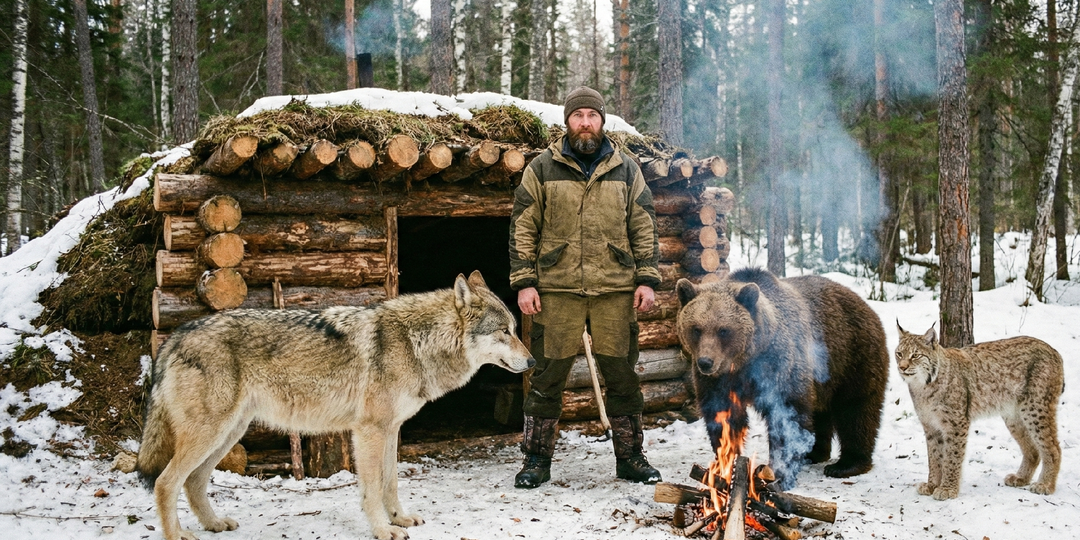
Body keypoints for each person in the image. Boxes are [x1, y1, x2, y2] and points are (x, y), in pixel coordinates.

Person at [508, 86, 663, 489]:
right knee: (546, 378)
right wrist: (525, 282)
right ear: (567, 122)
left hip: (614, 290)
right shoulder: (541, 168)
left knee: (623, 377)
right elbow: (524, 226)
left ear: (602, 121)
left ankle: (630, 458)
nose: (585, 123)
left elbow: (642, 224)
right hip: (557, 291)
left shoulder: (626, 168)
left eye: (591, 116)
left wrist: (646, 277)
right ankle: (535, 461)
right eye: (578, 116)